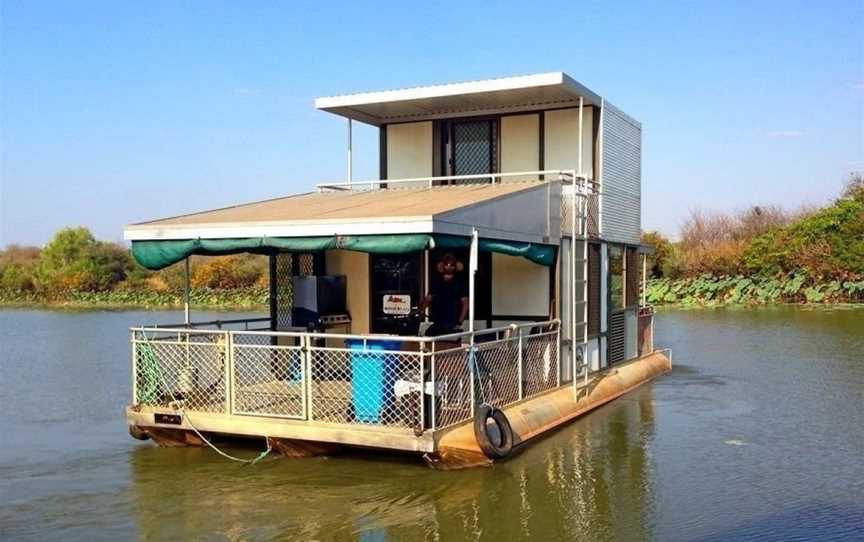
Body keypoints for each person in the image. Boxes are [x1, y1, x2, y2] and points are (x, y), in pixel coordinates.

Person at [419, 253, 469, 336]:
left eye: (452, 265)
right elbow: (429, 298)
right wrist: (421, 311)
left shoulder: (460, 281)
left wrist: (459, 323)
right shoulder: (437, 280)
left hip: (452, 322)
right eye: (446, 264)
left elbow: (465, 304)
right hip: (438, 321)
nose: (449, 267)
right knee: (428, 336)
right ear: (442, 265)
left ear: (455, 266)